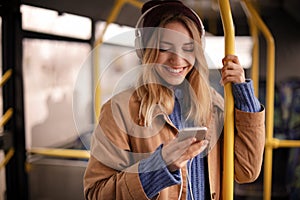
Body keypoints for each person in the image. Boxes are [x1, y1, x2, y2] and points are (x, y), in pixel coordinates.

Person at [83, 0, 265, 199]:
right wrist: (160, 166)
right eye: (164, 48)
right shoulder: (119, 109)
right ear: (146, 51)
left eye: (188, 48)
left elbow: (246, 171)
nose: (177, 60)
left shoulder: (212, 104)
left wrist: (244, 96)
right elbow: (98, 193)